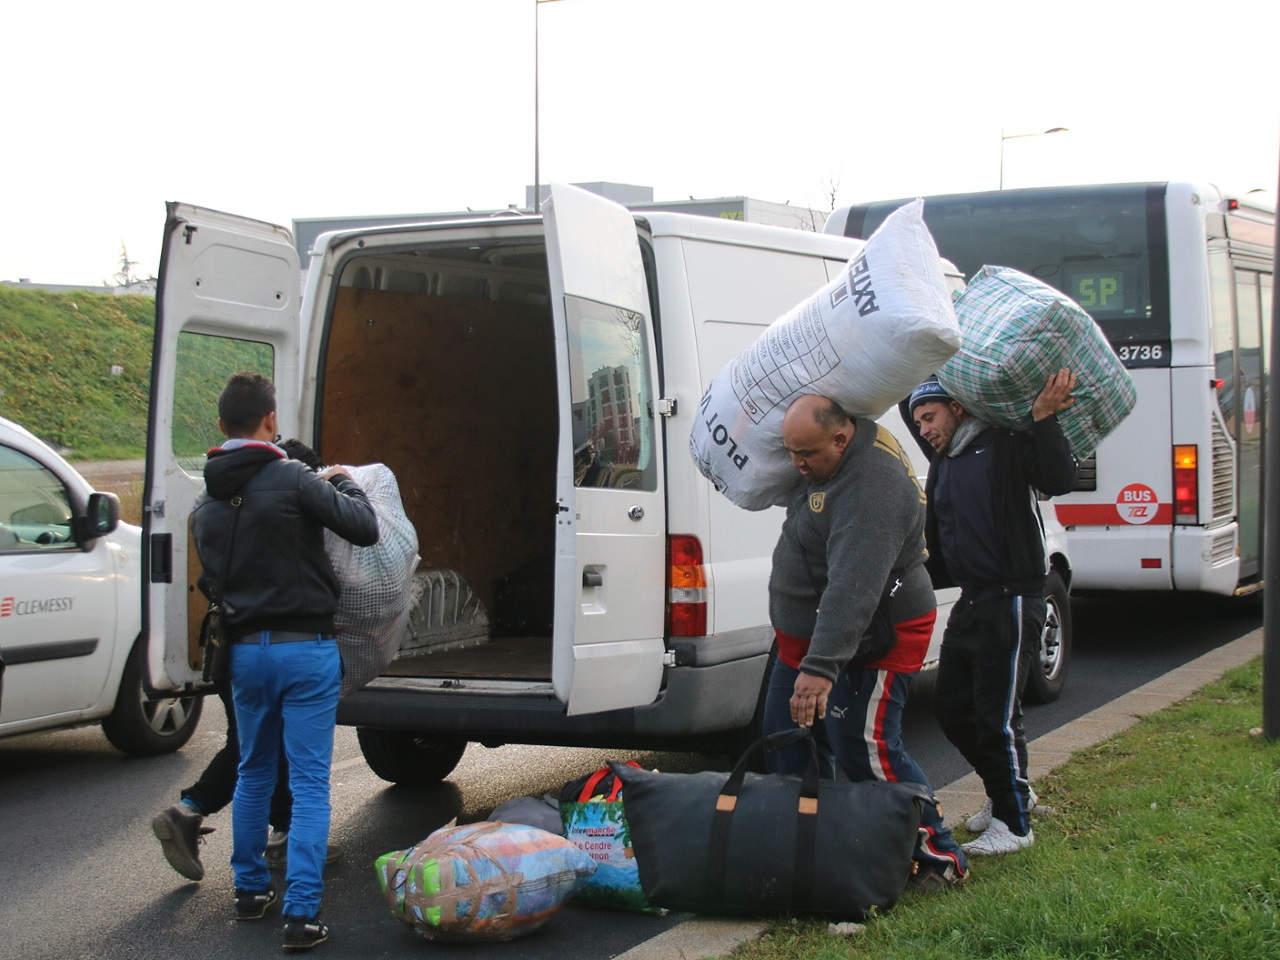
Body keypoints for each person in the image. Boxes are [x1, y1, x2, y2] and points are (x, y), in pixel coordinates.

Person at [189, 372, 378, 951]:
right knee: (311, 781)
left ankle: (249, 893)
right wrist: (346, 484)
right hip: (306, 652)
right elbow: (365, 529)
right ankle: (301, 913)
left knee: (252, 771)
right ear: (271, 420)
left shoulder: (205, 504)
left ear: (222, 427)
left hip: (246, 656)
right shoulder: (294, 479)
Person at [764, 393, 969, 890]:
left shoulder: (872, 485)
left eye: (806, 454)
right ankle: (819, 848)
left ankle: (939, 854)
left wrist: (820, 669)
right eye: (791, 452)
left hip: (873, 637)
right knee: (786, 742)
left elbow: (854, 586)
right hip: (814, 642)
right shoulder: (827, 462)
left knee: (868, 748)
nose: (797, 464)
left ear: (840, 438)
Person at [907, 371, 1078, 856]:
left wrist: (1043, 418)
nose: (922, 428)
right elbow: (937, 542)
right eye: (917, 421)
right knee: (951, 705)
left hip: (1014, 595)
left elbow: (1059, 478)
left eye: (929, 417)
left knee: (996, 715)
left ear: (958, 408)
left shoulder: (1005, 444)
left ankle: (1014, 823)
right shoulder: (944, 461)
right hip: (973, 599)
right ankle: (1009, 793)